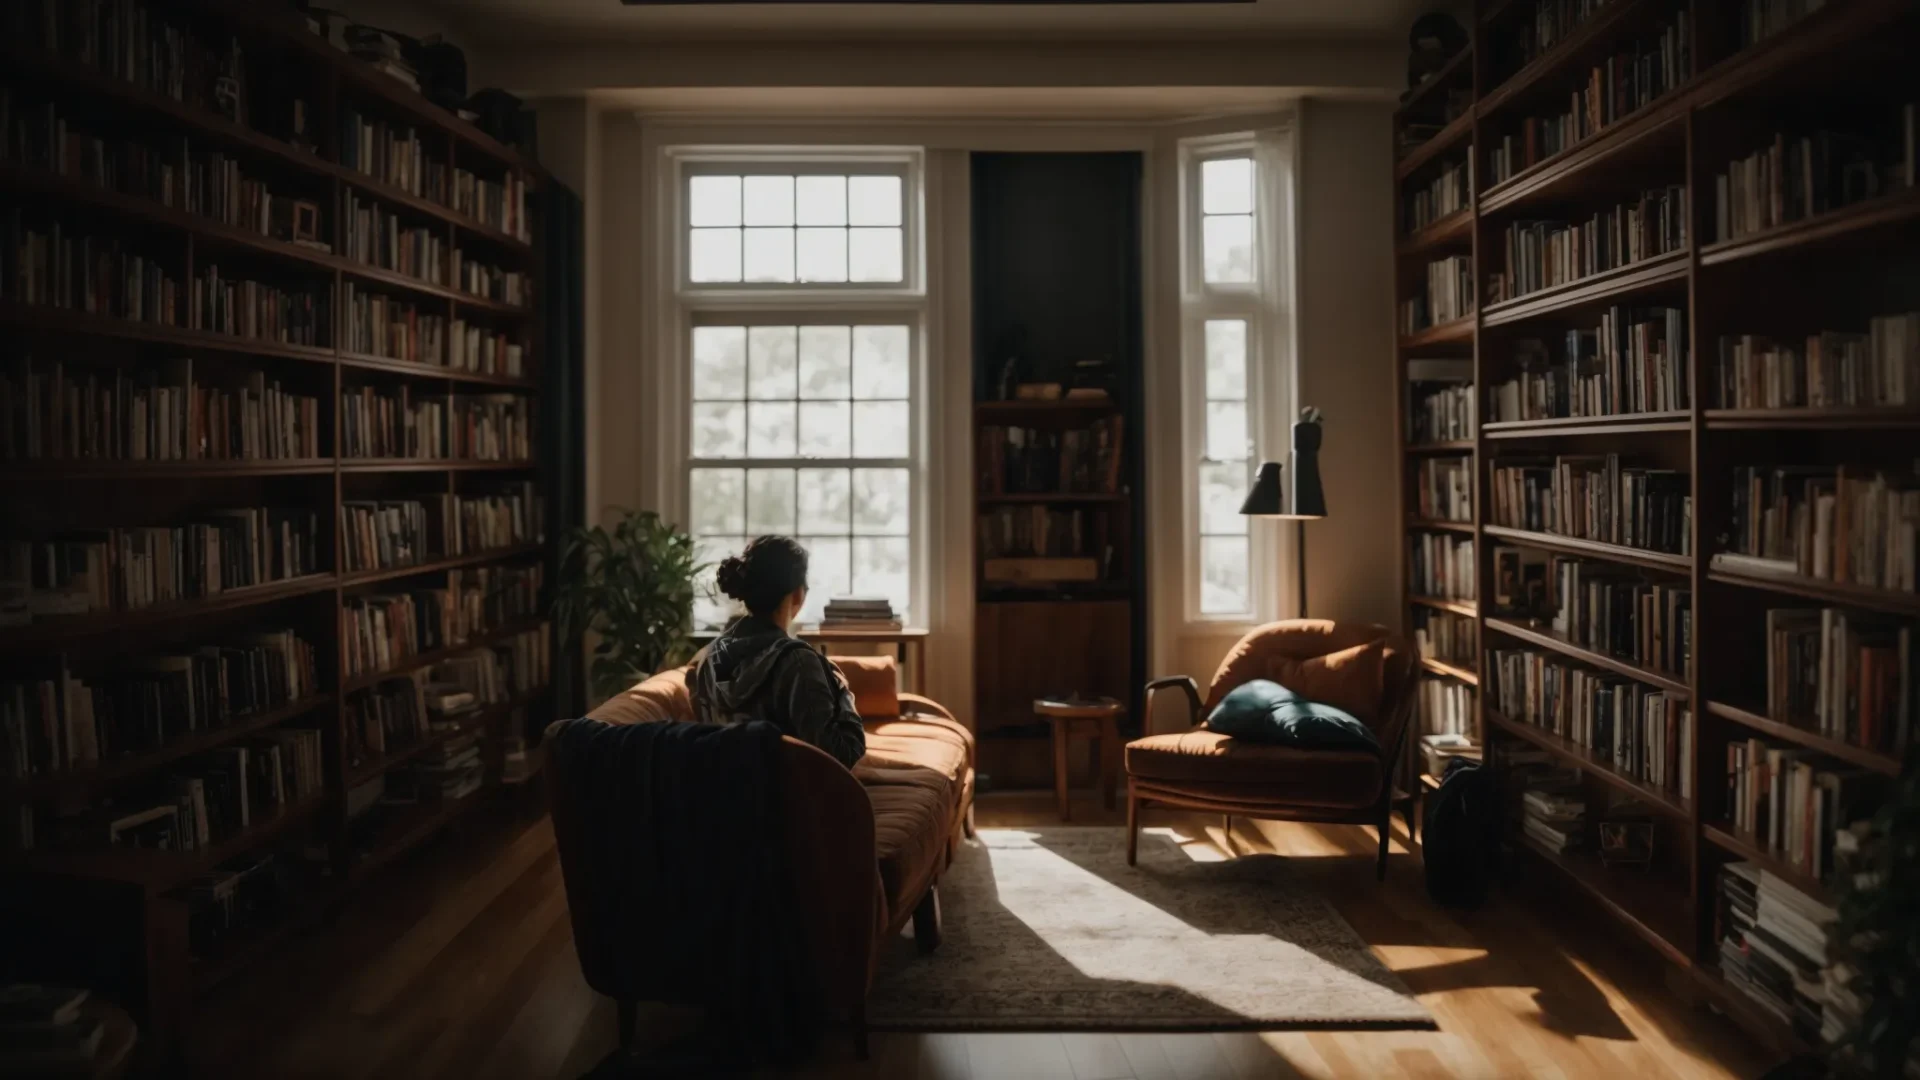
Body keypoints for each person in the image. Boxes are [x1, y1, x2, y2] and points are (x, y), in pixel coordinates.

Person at [688, 536, 867, 770]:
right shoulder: (799, 662)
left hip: (730, 798)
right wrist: (842, 692)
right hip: (794, 801)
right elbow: (840, 757)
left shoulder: (709, 656)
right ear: (798, 595)